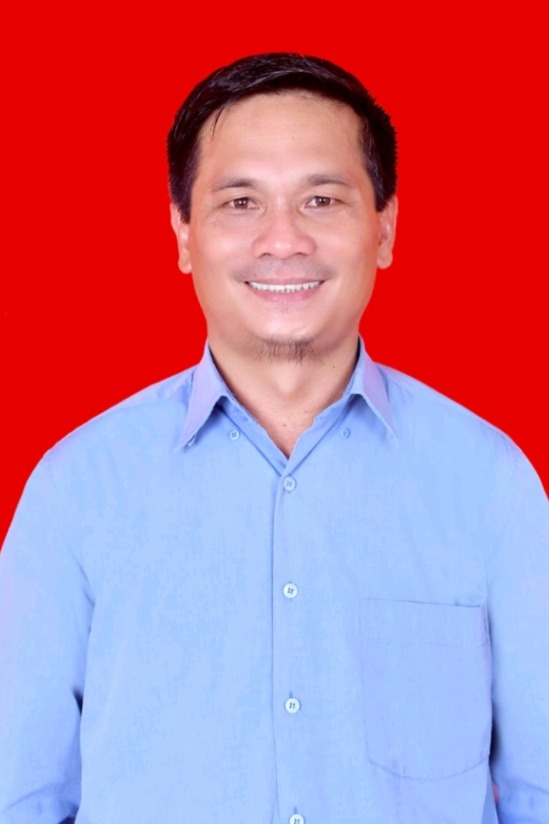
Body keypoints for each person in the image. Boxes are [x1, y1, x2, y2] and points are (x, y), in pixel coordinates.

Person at [0, 52, 548, 824]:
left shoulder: (487, 483)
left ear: (384, 227)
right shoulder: (77, 491)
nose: (282, 240)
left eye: (321, 200)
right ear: (183, 232)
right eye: (240, 203)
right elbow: (20, 799)